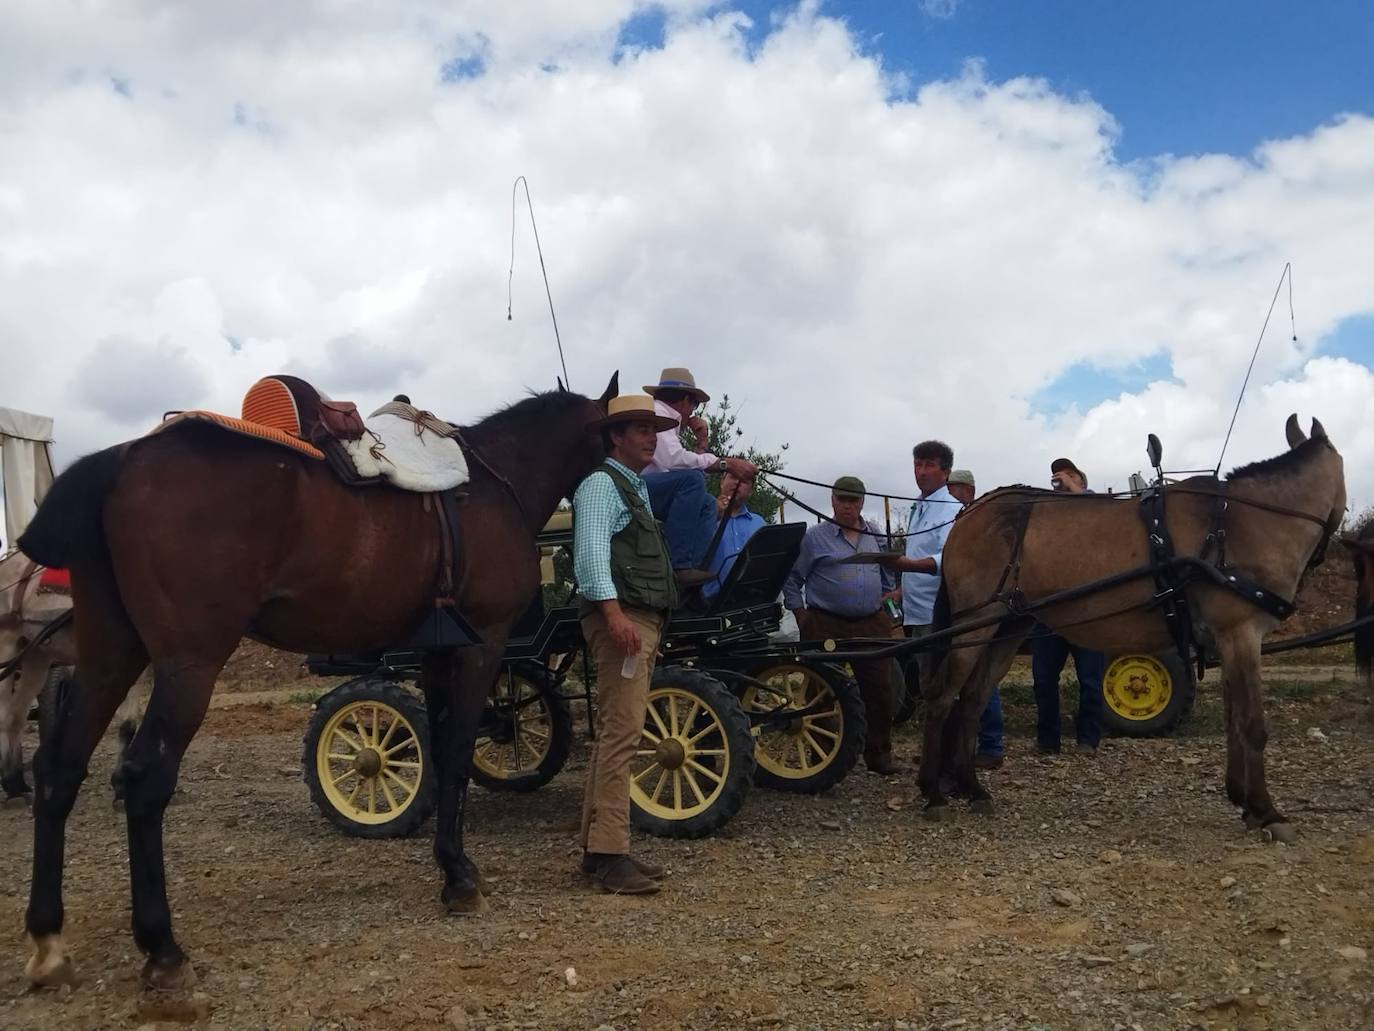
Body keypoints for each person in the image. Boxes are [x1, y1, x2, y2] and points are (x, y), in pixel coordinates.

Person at [571, 394, 681, 895]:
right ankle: (612, 855)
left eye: (652, 428)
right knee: (624, 734)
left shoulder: (631, 487)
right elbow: (590, 556)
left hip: (635, 617)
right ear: (615, 436)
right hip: (625, 620)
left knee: (617, 730)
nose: (650, 436)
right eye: (639, 428)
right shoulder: (601, 485)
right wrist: (614, 615)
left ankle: (599, 850)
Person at [782, 476, 904, 774]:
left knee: (880, 690)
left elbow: (888, 574)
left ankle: (879, 755)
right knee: (821, 690)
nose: (848, 506)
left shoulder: (875, 535)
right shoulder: (814, 538)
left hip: (871, 622)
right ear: (833, 501)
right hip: (825, 622)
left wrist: (888, 607)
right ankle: (822, 757)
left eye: (854, 500)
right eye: (843, 500)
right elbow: (793, 579)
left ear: (862, 502)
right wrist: (801, 614)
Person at [640, 367, 758, 570]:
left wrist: (702, 441)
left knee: (707, 504)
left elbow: (683, 474)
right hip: (638, 490)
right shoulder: (659, 414)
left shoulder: (666, 418)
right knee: (692, 480)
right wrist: (726, 463)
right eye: (694, 404)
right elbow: (673, 461)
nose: (693, 411)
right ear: (686, 400)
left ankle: (695, 568)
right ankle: (680, 565)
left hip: (654, 491)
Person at [1033, 457, 1106, 755]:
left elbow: (1100, 516)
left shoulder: (1097, 511)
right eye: (1055, 476)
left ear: (1081, 481)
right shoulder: (1050, 517)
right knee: (1043, 679)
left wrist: (1075, 489)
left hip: (1088, 613)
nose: (1058, 480)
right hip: (1050, 611)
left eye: (1066, 475)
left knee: (1090, 680)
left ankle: (1088, 740)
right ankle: (1048, 741)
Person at [702, 469, 766, 602]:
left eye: (744, 481)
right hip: (710, 604)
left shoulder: (760, 523)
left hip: (753, 601)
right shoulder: (702, 518)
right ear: (721, 482)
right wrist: (713, 514)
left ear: (751, 491)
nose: (737, 482)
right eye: (733, 476)